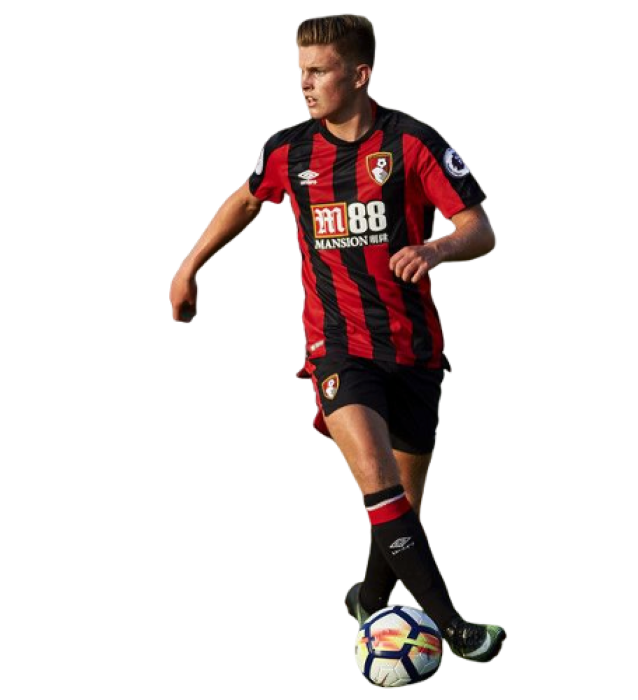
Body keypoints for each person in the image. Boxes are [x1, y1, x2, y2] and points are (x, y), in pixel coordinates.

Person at [169, 13, 505, 663]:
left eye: (319, 71)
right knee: (375, 479)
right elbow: (246, 199)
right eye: (300, 71)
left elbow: (481, 230)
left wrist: (437, 249)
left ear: (360, 74)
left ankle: (370, 602)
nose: (305, 83)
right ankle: (454, 627)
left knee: (403, 507)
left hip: (414, 347)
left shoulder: (412, 142)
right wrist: (189, 266)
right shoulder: (288, 150)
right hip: (335, 346)